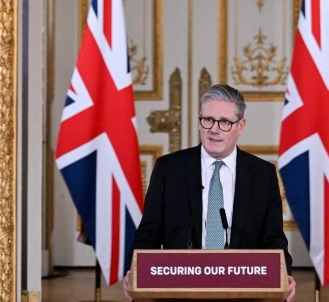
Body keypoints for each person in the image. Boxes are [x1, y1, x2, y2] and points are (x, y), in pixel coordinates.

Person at [123, 84, 295, 301]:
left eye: (224, 122)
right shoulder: (169, 169)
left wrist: (284, 274)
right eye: (208, 120)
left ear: (240, 126)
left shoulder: (262, 174)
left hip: (243, 291)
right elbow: (149, 233)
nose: (214, 129)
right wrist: (136, 271)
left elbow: (274, 239)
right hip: (180, 289)